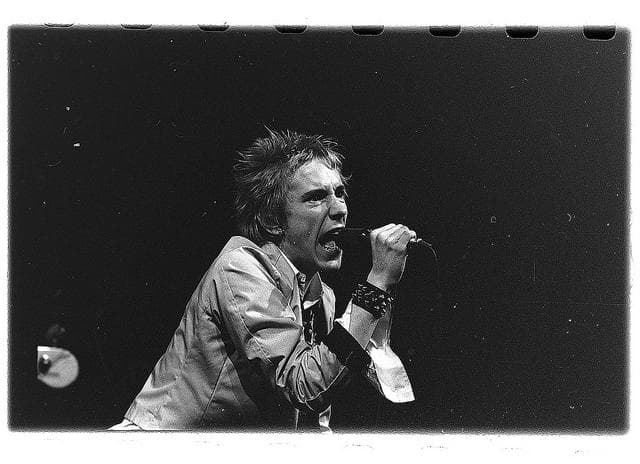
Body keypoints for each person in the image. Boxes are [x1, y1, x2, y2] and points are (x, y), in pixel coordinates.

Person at [111, 129, 415, 431]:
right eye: (316, 197)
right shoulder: (239, 267)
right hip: (154, 445)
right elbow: (305, 386)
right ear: (272, 220)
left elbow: (315, 415)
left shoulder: (322, 296)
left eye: (340, 193)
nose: (340, 209)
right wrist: (377, 283)